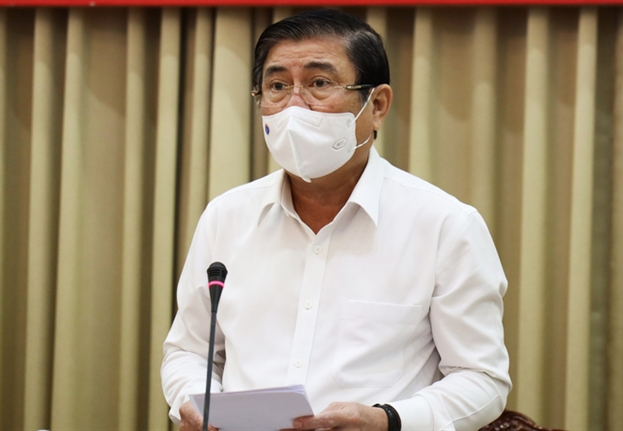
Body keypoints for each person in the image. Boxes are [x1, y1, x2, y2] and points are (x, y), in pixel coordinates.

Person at [161, 8, 511, 431]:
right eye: (276, 86)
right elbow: (188, 351)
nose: (294, 105)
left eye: (318, 84)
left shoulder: (444, 225)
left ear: (377, 104)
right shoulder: (227, 216)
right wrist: (196, 403)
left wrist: (390, 420)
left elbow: (482, 379)